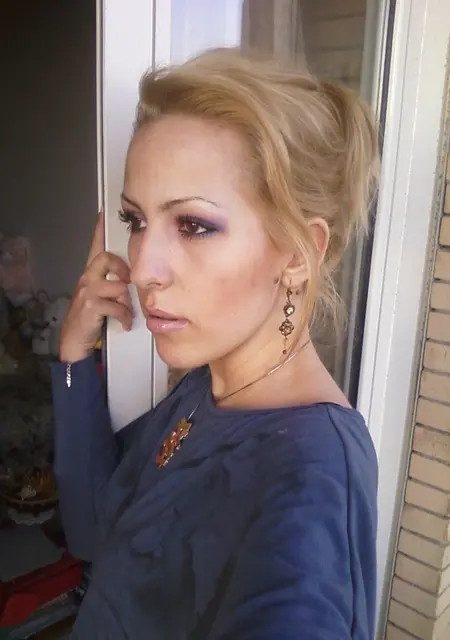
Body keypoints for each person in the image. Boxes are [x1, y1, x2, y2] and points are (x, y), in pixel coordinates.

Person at [52, 48, 379, 639]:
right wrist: (75, 356)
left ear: (297, 254)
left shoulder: (308, 479)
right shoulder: (209, 387)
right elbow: (95, 528)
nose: (142, 269)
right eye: (136, 222)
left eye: (194, 225)